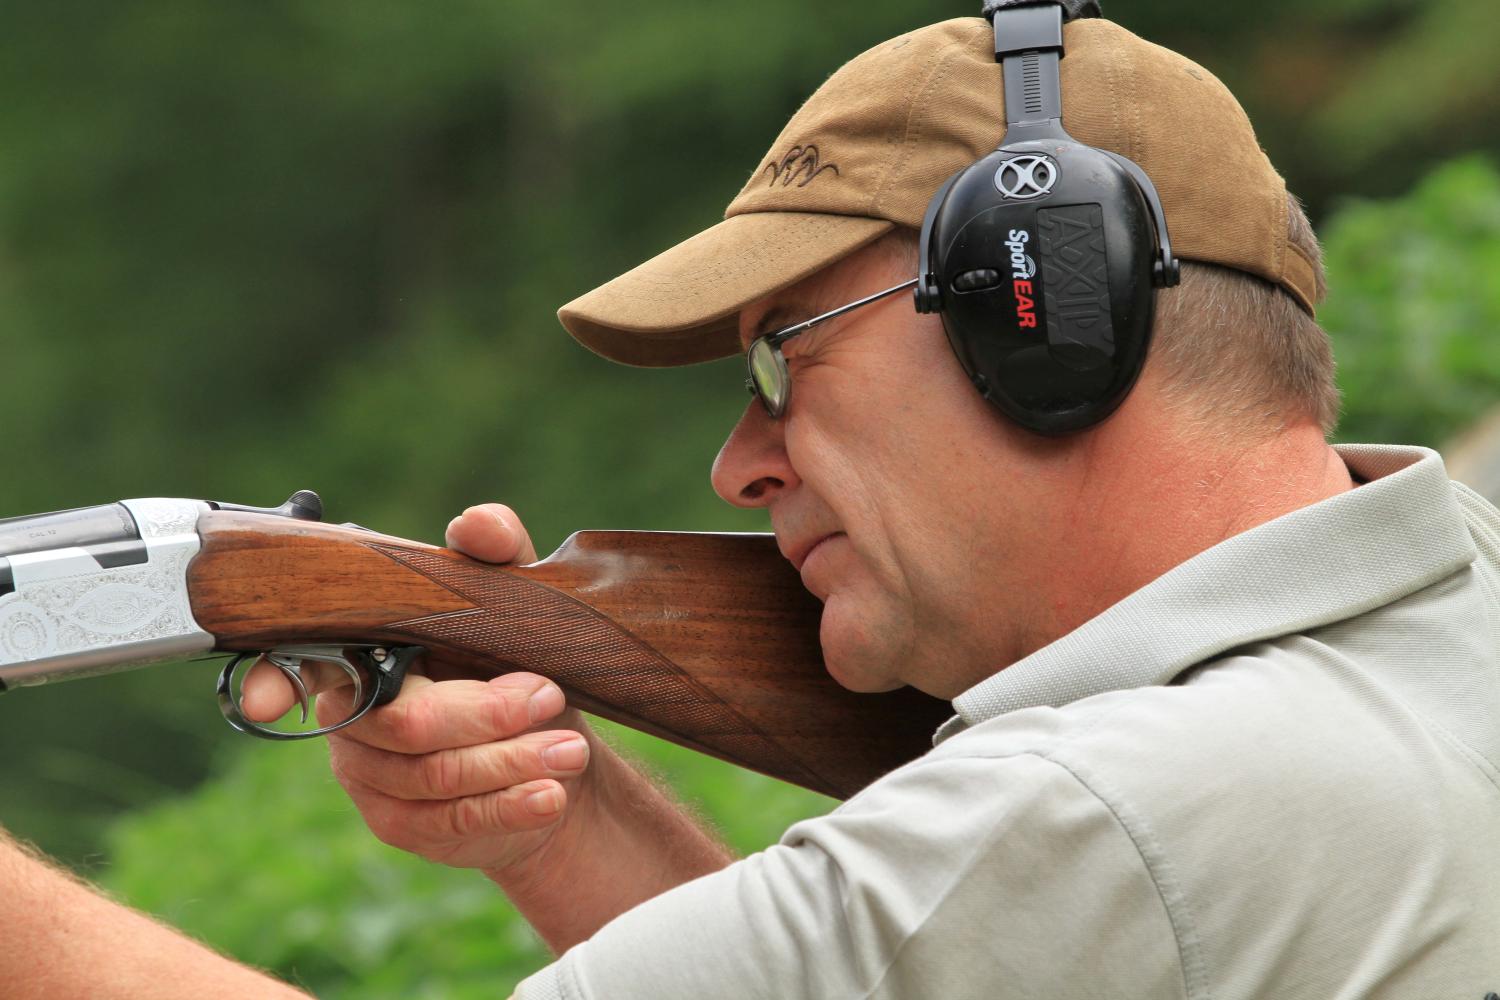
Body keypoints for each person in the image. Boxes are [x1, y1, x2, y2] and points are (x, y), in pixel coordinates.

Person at [1, 4, 1497, 998]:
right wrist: (562, 824)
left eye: (787, 358)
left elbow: (1048, 859)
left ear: (1043, 313)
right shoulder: (1455, 618)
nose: (741, 462)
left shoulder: (1107, 813)